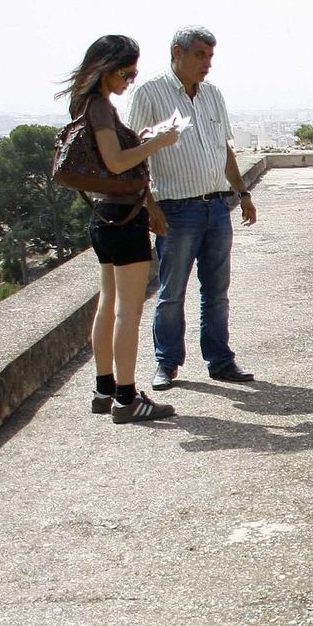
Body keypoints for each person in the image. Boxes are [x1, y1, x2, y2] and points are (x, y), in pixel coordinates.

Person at [57, 35, 181, 424]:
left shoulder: (88, 105)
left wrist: (141, 142)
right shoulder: (100, 109)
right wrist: (159, 142)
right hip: (124, 222)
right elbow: (114, 162)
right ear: (107, 69)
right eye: (126, 72)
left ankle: (104, 389)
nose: (130, 80)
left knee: (108, 304)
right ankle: (127, 399)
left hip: (104, 217)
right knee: (128, 311)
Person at [127, 25, 257, 390]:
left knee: (216, 291)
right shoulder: (149, 94)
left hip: (216, 207)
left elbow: (224, 149)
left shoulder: (213, 95)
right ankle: (167, 363)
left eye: (210, 56)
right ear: (177, 52)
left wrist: (242, 193)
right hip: (176, 209)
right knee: (172, 293)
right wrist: (149, 204)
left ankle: (220, 360)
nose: (207, 63)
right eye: (200, 55)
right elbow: (134, 156)